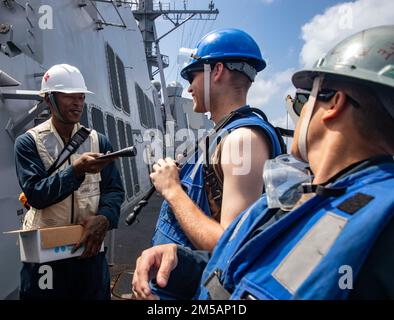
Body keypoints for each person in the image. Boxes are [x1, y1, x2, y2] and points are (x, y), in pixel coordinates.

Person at [132, 25, 394, 300]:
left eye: (305, 99)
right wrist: (180, 264)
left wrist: (172, 190)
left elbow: (224, 241)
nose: (297, 110)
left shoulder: (242, 138)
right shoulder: (316, 194)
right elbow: (239, 263)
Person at [151, 28, 284, 253]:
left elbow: (231, 248)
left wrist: (171, 189)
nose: (189, 87)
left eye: (192, 76)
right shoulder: (223, 135)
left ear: (217, 71)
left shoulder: (242, 140)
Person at [14, 64, 125, 299]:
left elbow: (114, 190)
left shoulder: (99, 141)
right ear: (49, 99)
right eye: (69, 96)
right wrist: (75, 171)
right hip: (44, 255)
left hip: (89, 249)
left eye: (81, 96)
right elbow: (36, 194)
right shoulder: (28, 143)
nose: (78, 102)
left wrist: (104, 218)